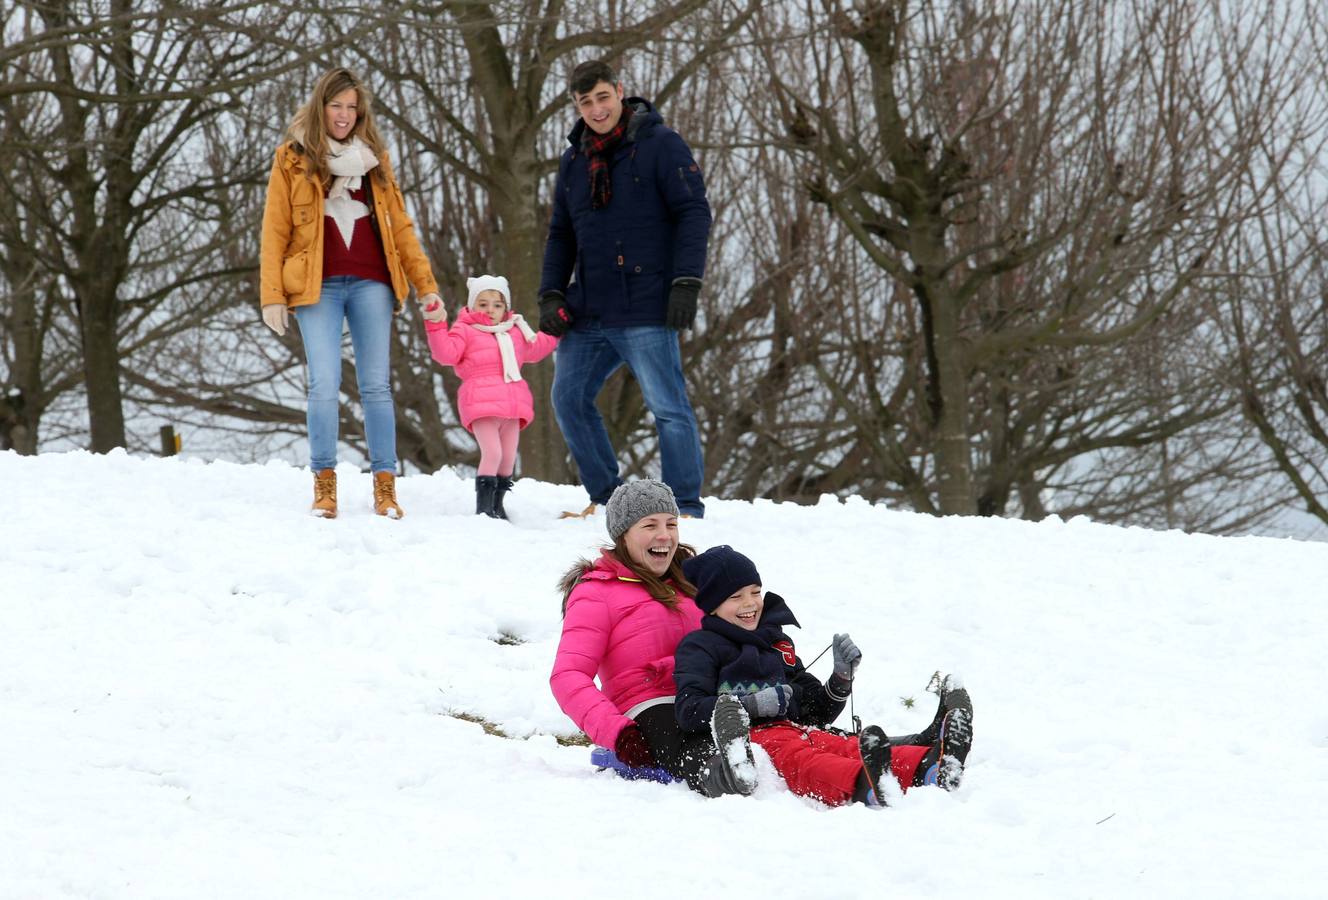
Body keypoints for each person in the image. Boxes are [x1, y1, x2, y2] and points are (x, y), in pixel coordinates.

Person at [260, 66, 445, 519]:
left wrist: (427, 286)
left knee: (377, 386)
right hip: (315, 285)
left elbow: (400, 226)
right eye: (336, 105)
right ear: (321, 106)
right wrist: (270, 295)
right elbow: (275, 228)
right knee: (323, 384)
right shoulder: (292, 158)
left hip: (372, 283)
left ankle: (385, 485)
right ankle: (324, 483)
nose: (343, 115)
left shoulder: (375, 161)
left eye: (351, 107)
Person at [537, 59, 711, 520]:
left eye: (602, 98)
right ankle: (609, 500)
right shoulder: (574, 160)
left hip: (647, 302)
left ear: (619, 92)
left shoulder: (660, 144)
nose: (596, 109)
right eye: (584, 102)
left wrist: (686, 283)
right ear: (576, 105)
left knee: (668, 407)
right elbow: (561, 234)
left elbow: (694, 212)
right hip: (590, 308)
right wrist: (551, 293)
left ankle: (683, 508)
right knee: (569, 399)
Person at [674, 545, 975, 807]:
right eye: (736, 597)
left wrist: (841, 679)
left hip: (797, 729)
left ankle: (932, 767)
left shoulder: (776, 643)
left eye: (755, 592)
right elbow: (688, 710)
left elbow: (818, 710)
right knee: (805, 761)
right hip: (757, 743)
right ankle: (865, 783)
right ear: (712, 605)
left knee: (844, 746)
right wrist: (750, 705)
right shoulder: (700, 647)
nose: (750, 603)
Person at [549, 480, 754, 797]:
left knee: (771, 716)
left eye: (671, 524)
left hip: (708, 695)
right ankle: (718, 771)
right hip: (648, 704)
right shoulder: (595, 593)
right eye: (650, 525)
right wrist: (618, 733)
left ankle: (841, 759)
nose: (665, 535)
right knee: (673, 730)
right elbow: (568, 676)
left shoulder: (692, 580)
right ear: (624, 534)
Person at [424, 275, 559, 518]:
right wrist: (436, 325)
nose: (490, 310)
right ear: (472, 305)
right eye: (483, 303)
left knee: (507, 459)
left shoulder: (516, 331)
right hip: (482, 403)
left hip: (513, 404)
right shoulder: (465, 330)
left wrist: (558, 328)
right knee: (493, 453)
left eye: (497, 305)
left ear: (506, 307)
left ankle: (498, 505)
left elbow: (537, 348)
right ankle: (484, 509)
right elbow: (446, 354)